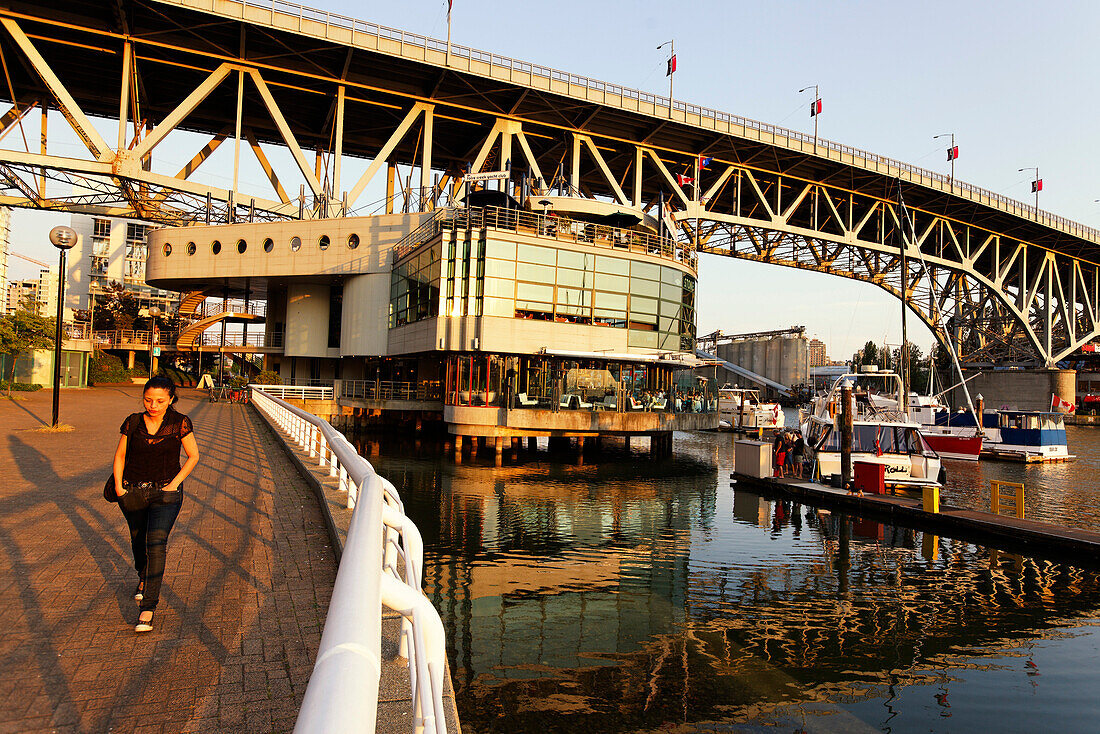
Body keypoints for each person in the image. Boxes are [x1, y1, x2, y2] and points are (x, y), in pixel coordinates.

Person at [113, 376, 200, 633]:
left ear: (171, 399)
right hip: (133, 491)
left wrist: (174, 483)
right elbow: (120, 455)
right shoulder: (133, 421)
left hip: (166, 493)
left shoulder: (180, 422)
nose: (153, 405)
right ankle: (143, 575)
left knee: (156, 542)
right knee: (138, 540)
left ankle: (148, 607)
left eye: (160, 401)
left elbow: (193, 456)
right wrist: (119, 488)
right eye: (148, 399)